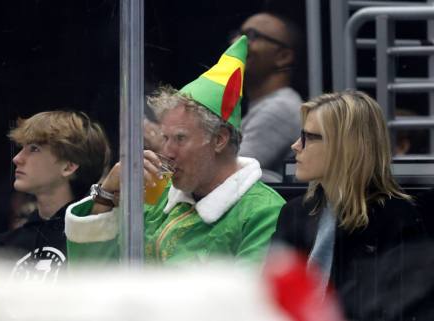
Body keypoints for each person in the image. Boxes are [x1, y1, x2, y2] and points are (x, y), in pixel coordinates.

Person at [65, 36, 285, 264]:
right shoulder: (157, 195)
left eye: (180, 138)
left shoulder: (262, 212)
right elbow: (94, 278)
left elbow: (247, 296)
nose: (166, 151)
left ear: (219, 139)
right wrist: (106, 196)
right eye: (165, 138)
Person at [271, 91, 427, 318]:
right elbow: (271, 297)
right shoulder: (295, 213)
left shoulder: (397, 218)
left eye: (309, 137)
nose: (296, 146)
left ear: (345, 146)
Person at [0, 111, 111, 282]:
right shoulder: (3, 245)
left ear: (68, 166)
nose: (17, 158)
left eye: (34, 149)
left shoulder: (92, 241)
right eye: (22, 148)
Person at [233, 12, 303, 181]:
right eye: (237, 35)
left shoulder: (281, 107)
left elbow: (225, 172)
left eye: (250, 36)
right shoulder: (265, 104)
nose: (235, 43)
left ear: (283, 57)